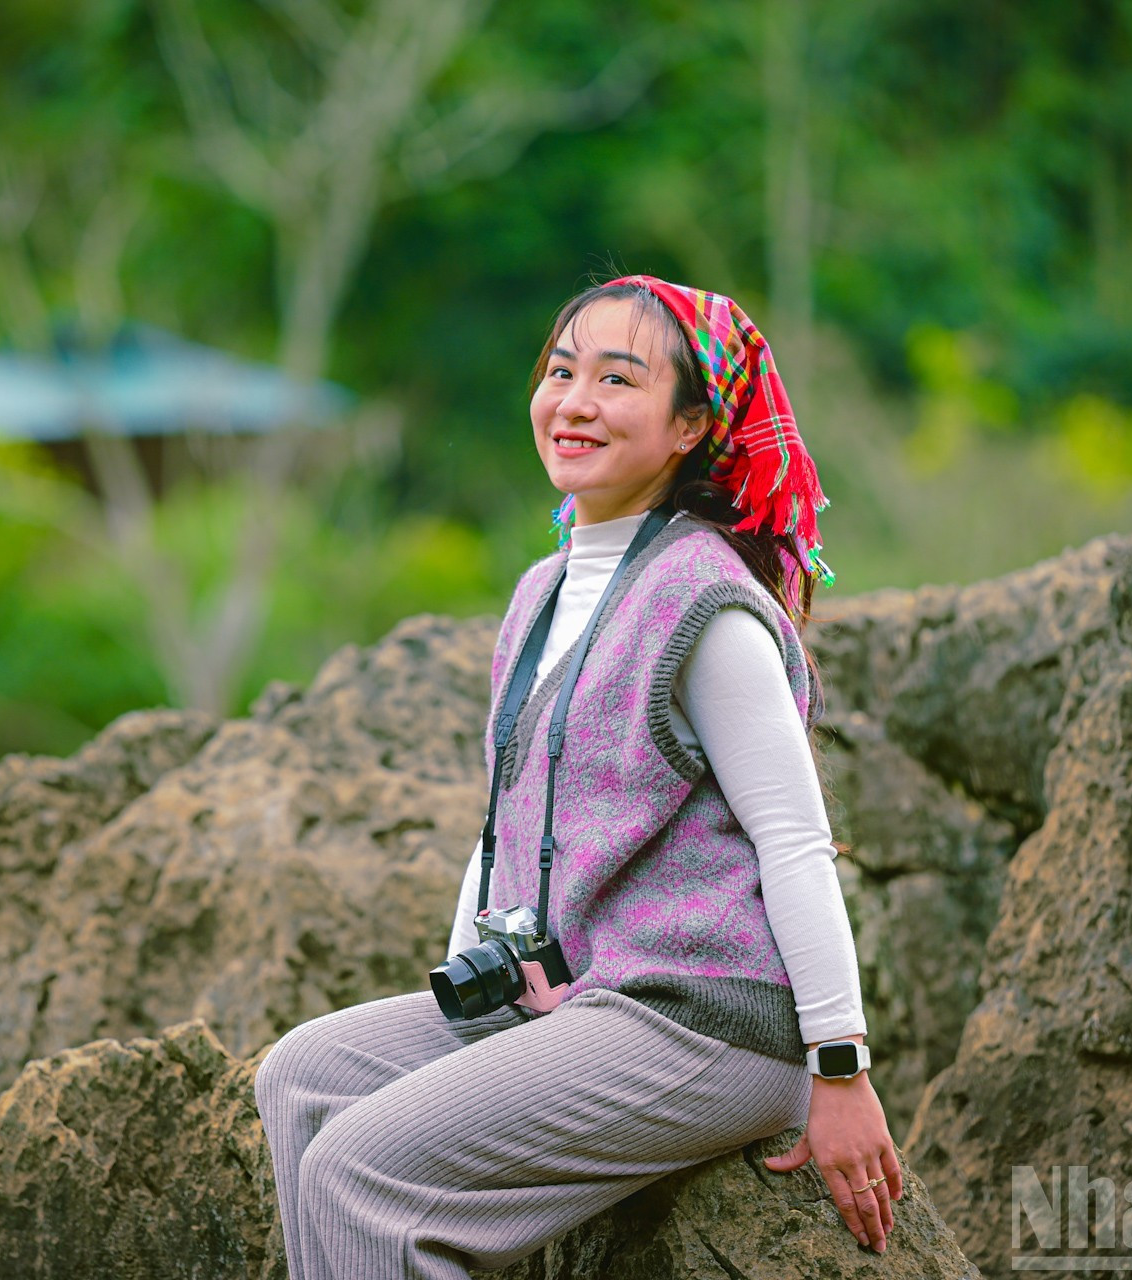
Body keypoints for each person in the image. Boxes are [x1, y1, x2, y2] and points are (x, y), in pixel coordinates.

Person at [253, 275, 902, 1279]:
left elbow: (796, 841)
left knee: (357, 1169)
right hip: (584, 994)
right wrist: (475, 1005)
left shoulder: (707, 602)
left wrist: (840, 1068)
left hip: (706, 1016)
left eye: (617, 378)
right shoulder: (543, 588)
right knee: (301, 1077)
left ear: (690, 423)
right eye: (561, 371)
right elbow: (502, 823)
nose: (575, 401)